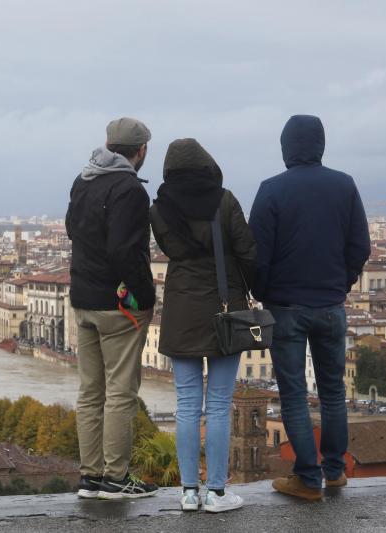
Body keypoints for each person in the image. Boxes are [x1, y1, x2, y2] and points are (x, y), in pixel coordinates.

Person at [249, 115, 371, 501]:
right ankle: (334, 471)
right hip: (331, 306)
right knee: (334, 392)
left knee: (294, 394)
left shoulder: (271, 190)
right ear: (320, 144)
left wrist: (265, 292)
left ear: (286, 146)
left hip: (285, 306)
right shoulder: (345, 186)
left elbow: (257, 256)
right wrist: (343, 284)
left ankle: (306, 477)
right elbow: (360, 247)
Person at [151, 138, 256, 512]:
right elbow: (247, 251)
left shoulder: (159, 208)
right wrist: (257, 291)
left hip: (181, 310)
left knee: (186, 404)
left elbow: (172, 251)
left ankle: (188, 492)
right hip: (225, 310)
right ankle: (217, 492)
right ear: (207, 165)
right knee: (219, 404)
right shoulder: (224, 200)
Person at [66, 117, 158, 499]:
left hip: (83, 301)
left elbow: (73, 230)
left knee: (89, 392)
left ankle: (90, 477)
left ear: (107, 144)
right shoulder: (130, 189)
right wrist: (145, 296)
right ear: (140, 152)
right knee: (121, 392)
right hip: (116, 306)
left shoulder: (82, 181)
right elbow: (125, 251)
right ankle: (116, 478)